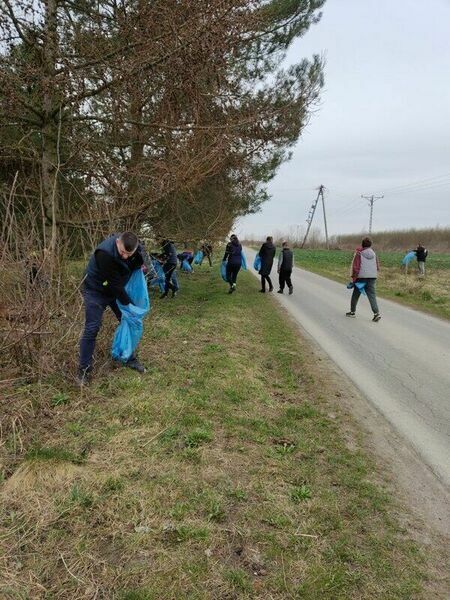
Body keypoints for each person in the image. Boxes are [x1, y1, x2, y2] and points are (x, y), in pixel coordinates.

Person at [78, 232, 146, 385]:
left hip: (116, 288)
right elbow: (114, 284)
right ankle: (83, 371)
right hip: (96, 290)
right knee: (92, 328)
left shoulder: (137, 250)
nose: (125, 257)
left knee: (129, 321)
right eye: (122, 252)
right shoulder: (105, 253)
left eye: (129, 254)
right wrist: (129, 305)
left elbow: (137, 267)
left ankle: (129, 357)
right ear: (117, 242)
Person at [346, 237, 381, 322]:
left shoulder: (359, 254)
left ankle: (352, 312)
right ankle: (376, 314)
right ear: (370, 245)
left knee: (355, 295)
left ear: (362, 244)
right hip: (372, 277)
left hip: (361, 278)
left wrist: (354, 278)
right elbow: (377, 266)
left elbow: (356, 267)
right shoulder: (374, 254)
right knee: (372, 296)